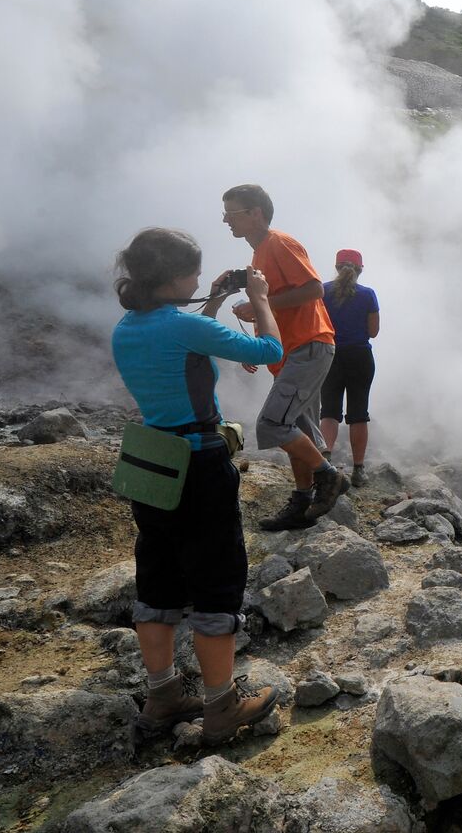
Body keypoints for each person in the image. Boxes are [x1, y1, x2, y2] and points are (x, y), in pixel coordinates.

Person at [111, 228, 283, 744]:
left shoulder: (128, 326)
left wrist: (212, 300)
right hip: (201, 464)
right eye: (193, 271)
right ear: (174, 277)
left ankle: (163, 695)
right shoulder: (181, 328)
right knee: (216, 579)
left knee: (158, 576)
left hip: (150, 460)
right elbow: (269, 347)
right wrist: (260, 299)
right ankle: (221, 706)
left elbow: (185, 341)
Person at [221, 184, 348, 531]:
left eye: (231, 214)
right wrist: (259, 344)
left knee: (272, 424)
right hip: (294, 351)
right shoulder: (258, 255)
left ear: (255, 213)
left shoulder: (279, 243)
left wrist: (261, 304)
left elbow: (313, 289)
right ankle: (303, 502)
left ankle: (329, 477)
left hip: (309, 345)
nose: (225, 221)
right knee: (296, 428)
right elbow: (275, 308)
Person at [319, 249, 380, 487]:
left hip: (330, 355)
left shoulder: (321, 291)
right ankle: (358, 470)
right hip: (360, 357)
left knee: (329, 411)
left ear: (336, 267)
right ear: (360, 269)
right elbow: (373, 332)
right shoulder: (368, 295)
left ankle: (324, 464)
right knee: (358, 414)